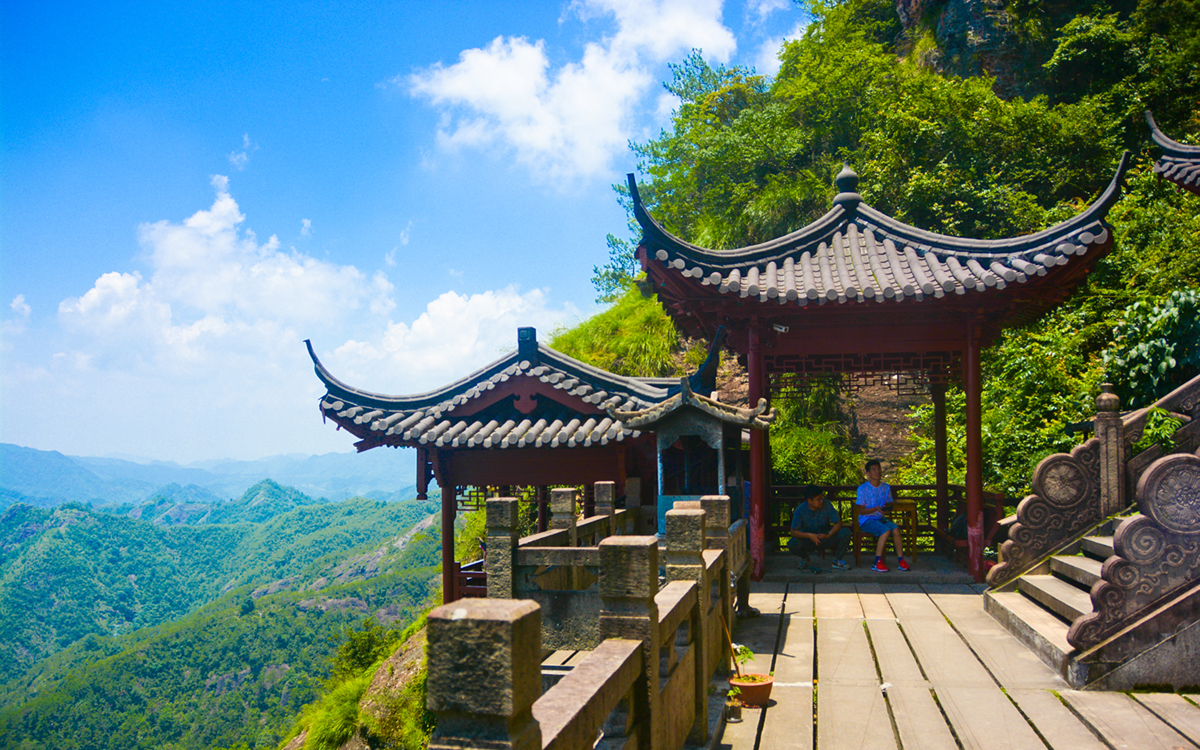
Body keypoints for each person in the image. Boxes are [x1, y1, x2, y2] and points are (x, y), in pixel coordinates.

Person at [855, 459, 910, 572]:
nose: (877, 472)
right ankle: (877, 562)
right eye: (874, 470)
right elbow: (862, 511)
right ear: (868, 474)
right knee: (885, 530)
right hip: (867, 520)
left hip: (880, 518)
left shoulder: (886, 487)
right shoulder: (862, 489)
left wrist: (886, 510)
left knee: (896, 530)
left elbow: (888, 503)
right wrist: (875, 509)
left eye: (878, 469)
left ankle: (901, 560)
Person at [787, 484, 851, 572]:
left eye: (822, 498)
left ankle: (837, 560)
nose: (821, 501)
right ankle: (805, 558)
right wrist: (809, 535)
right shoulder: (800, 510)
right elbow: (793, 532)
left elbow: (838, 523)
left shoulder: (827, 504)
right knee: (792, 543)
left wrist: (829, 534)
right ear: (809, 500)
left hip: (825, 537)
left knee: (845, 532)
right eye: (818, 500)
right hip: (808, 540)